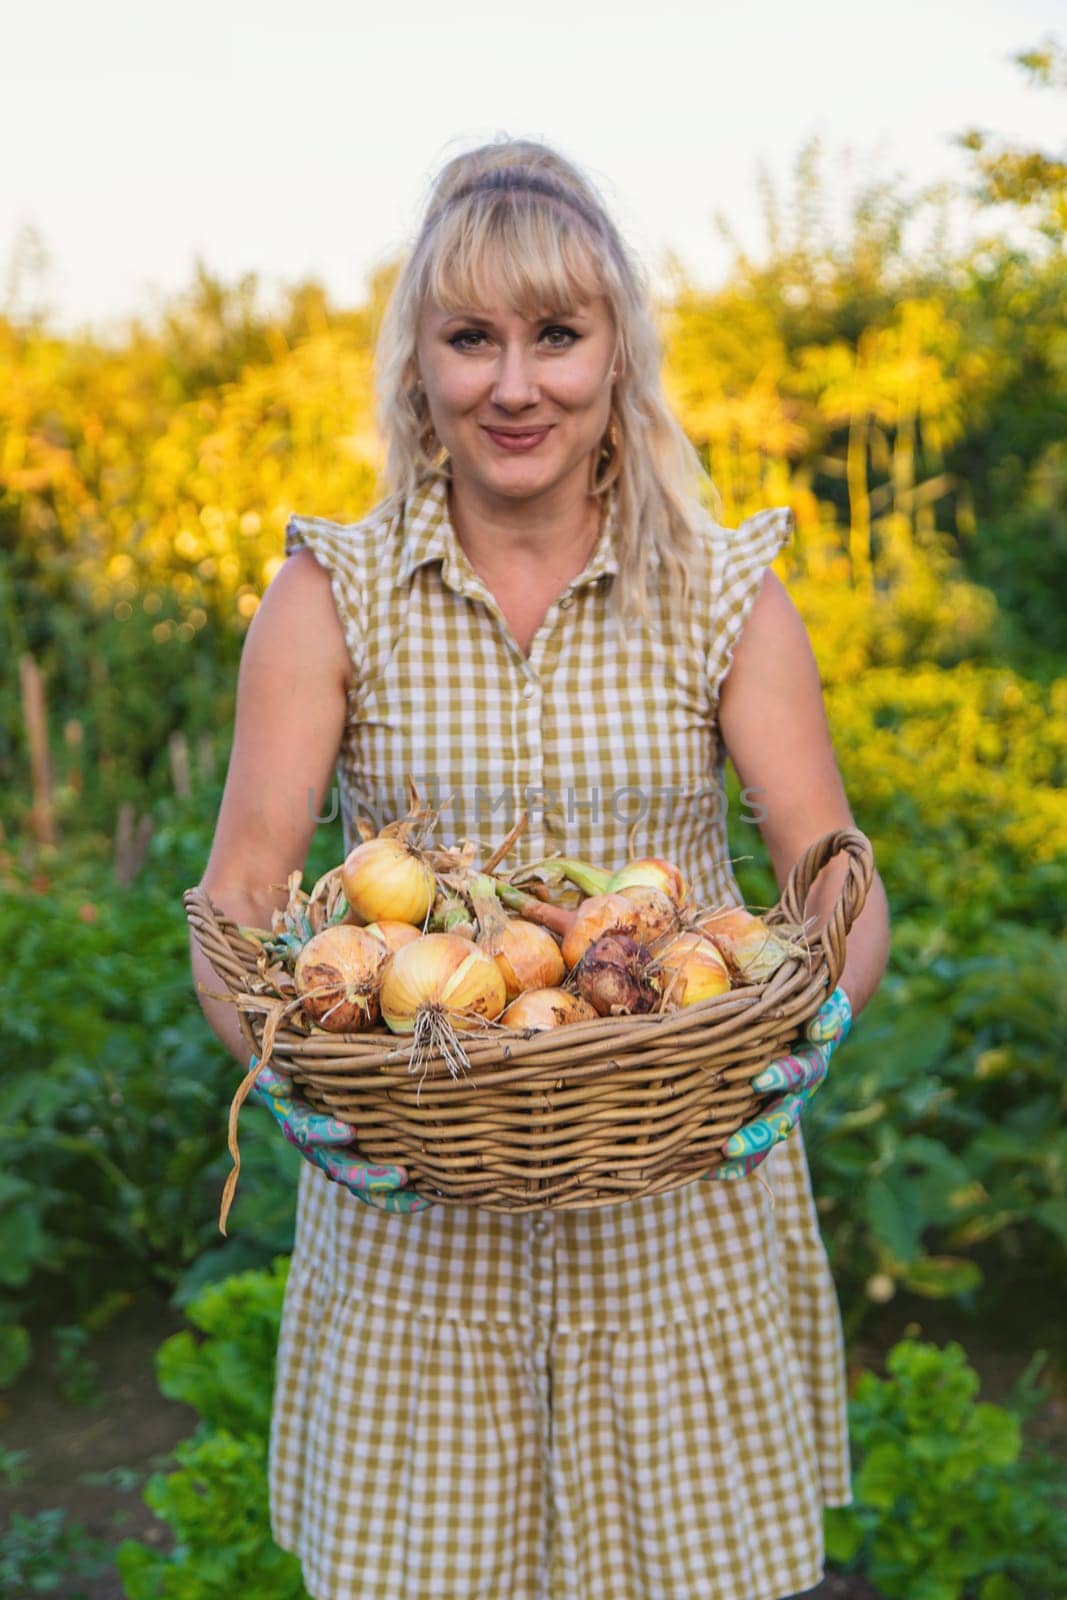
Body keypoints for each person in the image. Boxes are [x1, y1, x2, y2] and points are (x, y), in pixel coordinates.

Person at [191, 136, 891, 1600]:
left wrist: (807, 1040)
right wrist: (311, 1095)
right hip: (419, 1242)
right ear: (420, 366)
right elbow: (244, 901)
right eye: (472, 339)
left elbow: (832, 881)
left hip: (680, 1217)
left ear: (614, 354)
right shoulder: (334, 595)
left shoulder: (720, 593)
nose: (516, 386)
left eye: (557, 337)